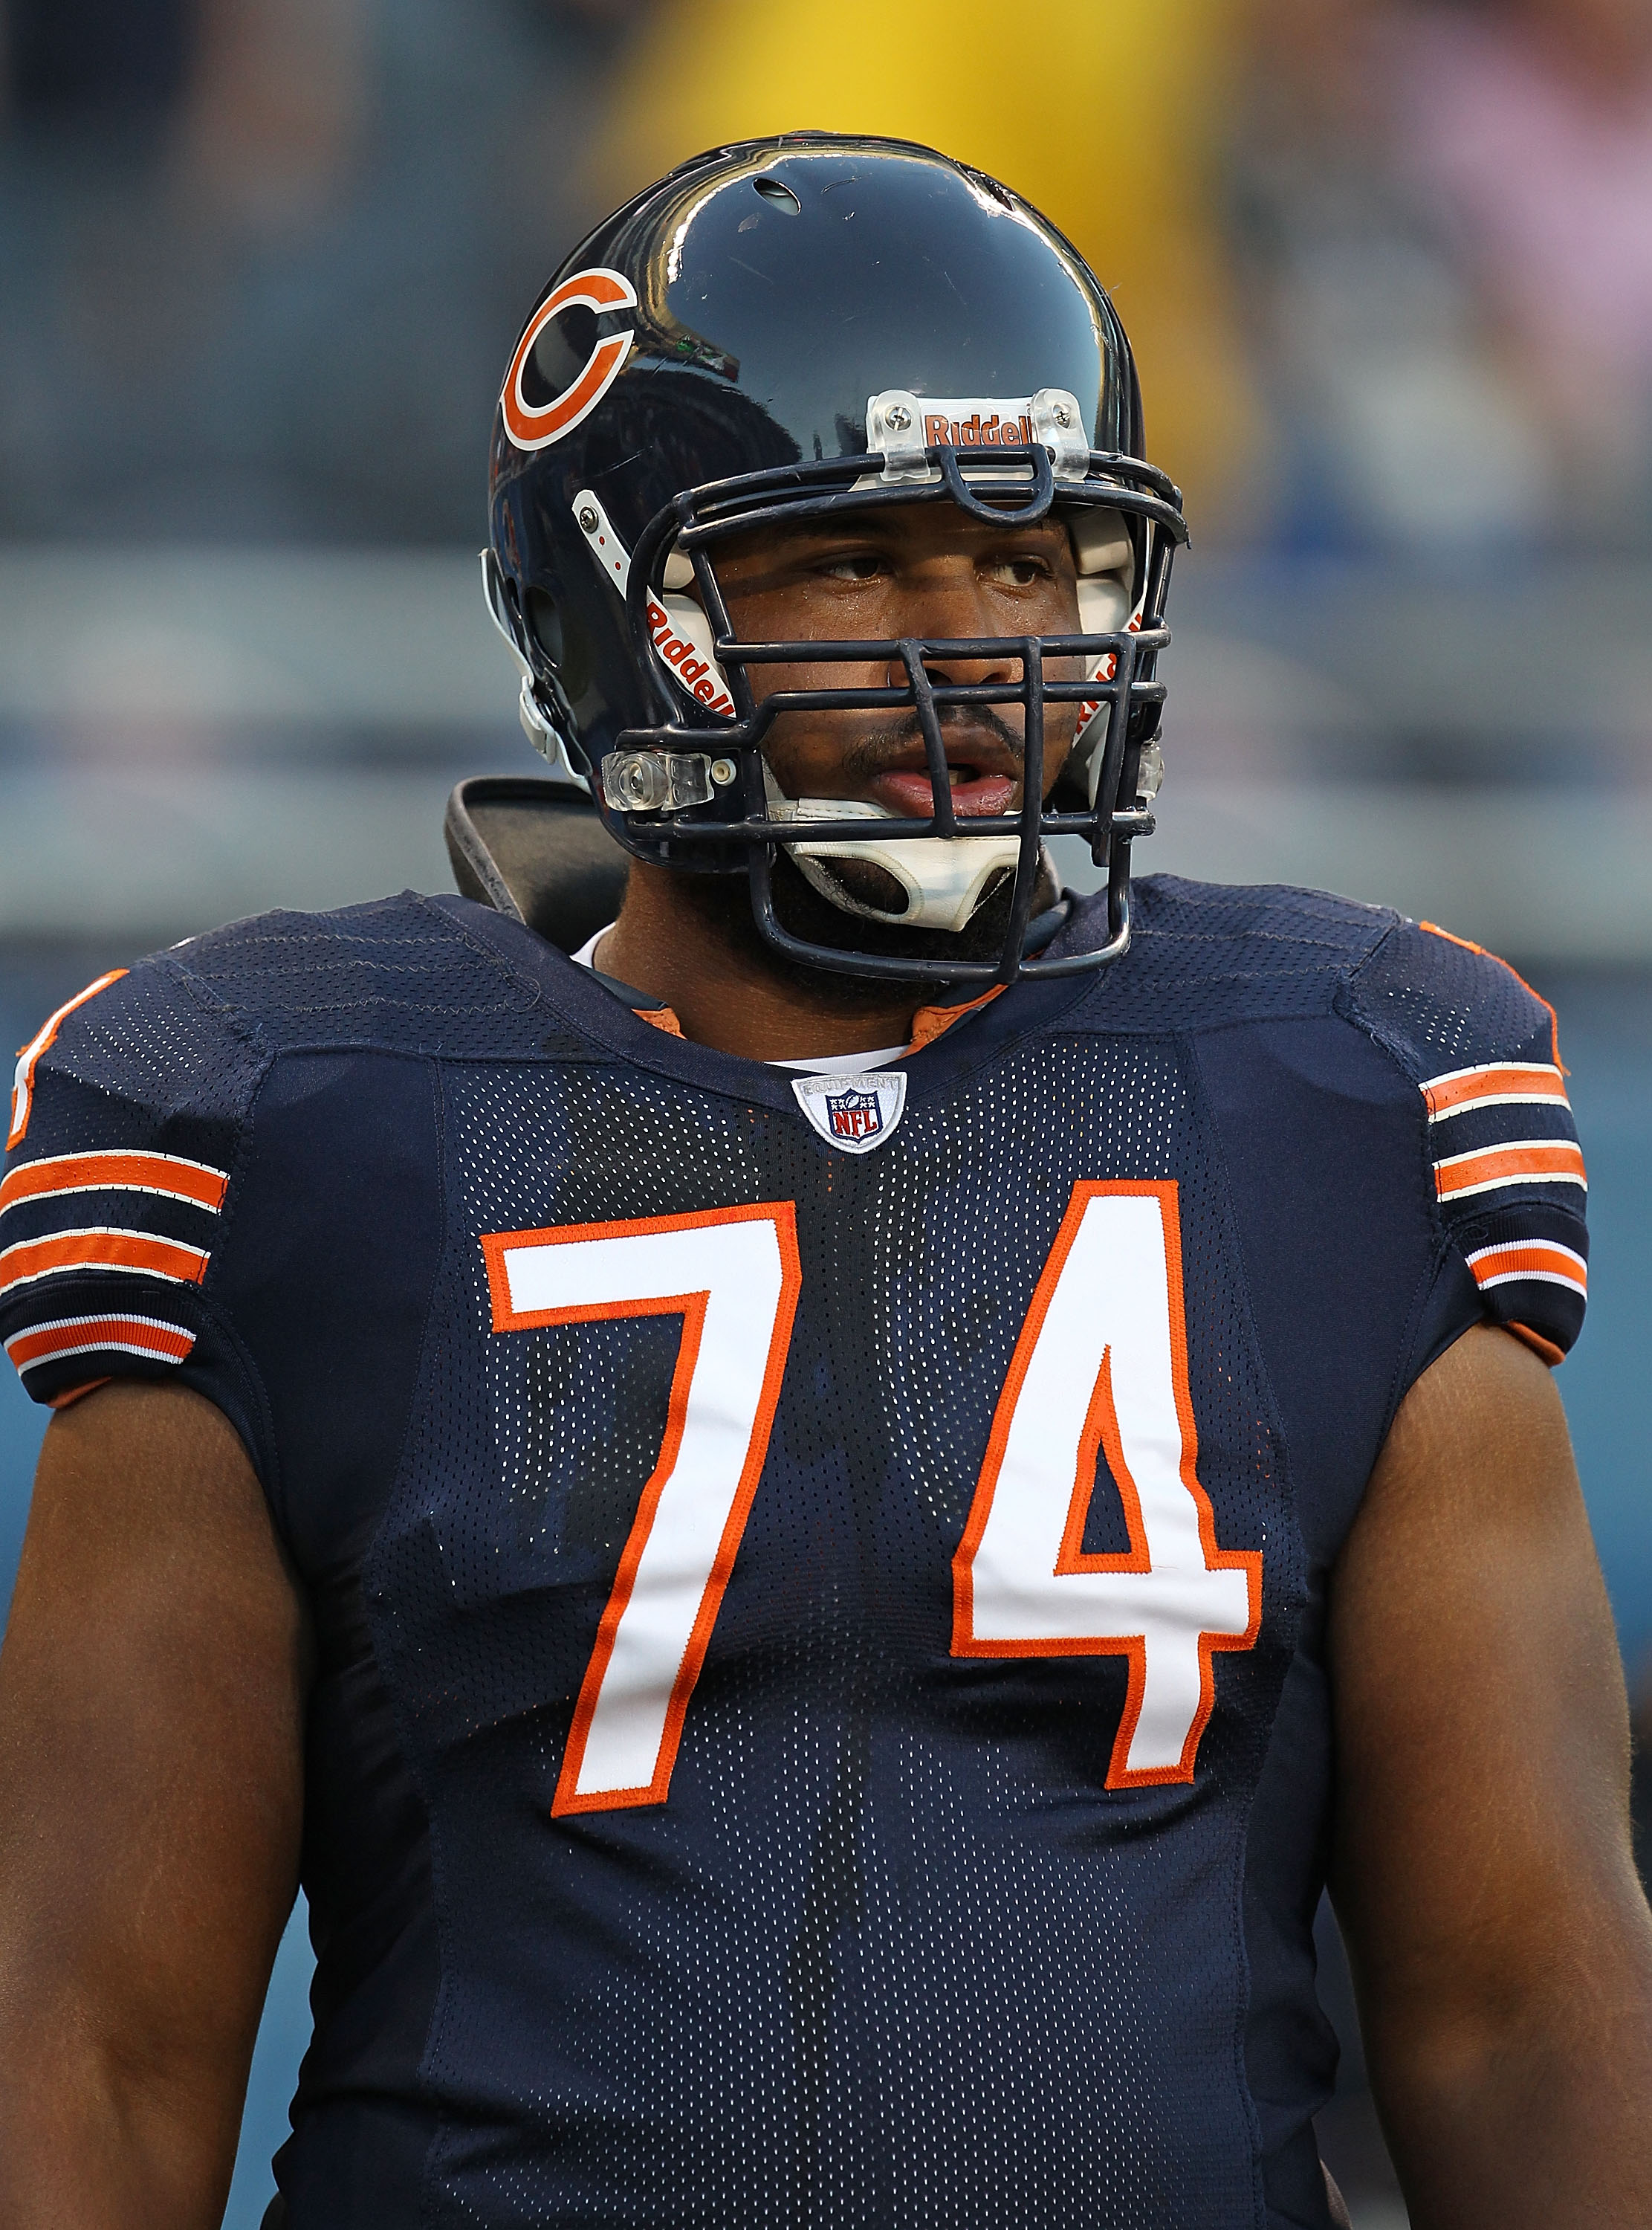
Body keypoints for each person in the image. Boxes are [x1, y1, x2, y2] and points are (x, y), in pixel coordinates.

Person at [1, 133, 1648, 2230]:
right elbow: (98, 2049)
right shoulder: (297, 1124)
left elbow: (1526, 2002)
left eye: (1039, 560)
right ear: (618, 606)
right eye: (855, 563)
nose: (976, 649)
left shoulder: (1338, 1094)